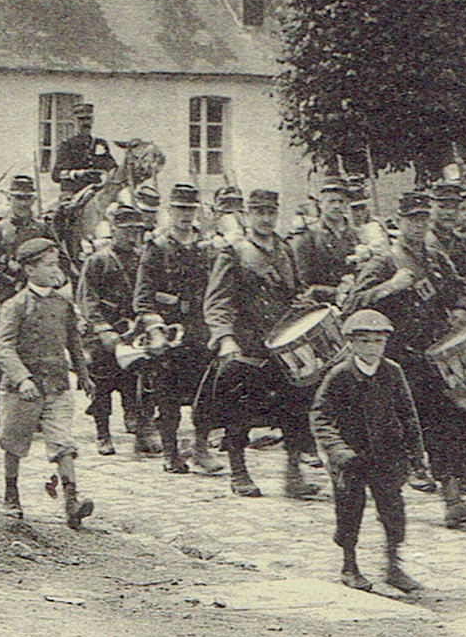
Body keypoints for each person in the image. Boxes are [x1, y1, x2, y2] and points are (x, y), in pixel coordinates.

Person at [349, 191, 466, 526]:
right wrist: (390, 288)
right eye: (413, 219)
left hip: (432, 357)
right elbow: (353, 303)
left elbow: (462, 287)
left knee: (446, 422)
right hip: (399, 360)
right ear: (399, 222)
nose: (419, 225)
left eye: (424, 218)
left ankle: (453, 501)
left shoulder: (437, 257)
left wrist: (461, 308)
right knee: (394, 434)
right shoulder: (385, 260)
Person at [202, 188, 322, 499]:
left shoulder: (285, 250)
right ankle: (239, 471)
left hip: (283, 344)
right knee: (238, 412)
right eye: (260, 213)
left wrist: (302, 300)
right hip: (248, 343)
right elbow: (217, 301)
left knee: (296, 406)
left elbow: (295, 289)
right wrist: (225, 338)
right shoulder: (234, 251)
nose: (266, 219)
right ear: (248, 215)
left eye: (271, 213)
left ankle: (293, 474)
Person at [310, 308, 428, 593]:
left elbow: (408, 414)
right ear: (350, 343)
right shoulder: (340, 375)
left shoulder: (392, 372)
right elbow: (320, 415)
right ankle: (349, 565)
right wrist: (338, 450)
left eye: (378, 341)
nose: (372, 348)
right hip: (352, 457)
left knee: (393, 510)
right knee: (349, 511)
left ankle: (393, 566)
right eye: (364, 341)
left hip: (386, 455)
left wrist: (416, 456)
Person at [0, 237, 95, 528]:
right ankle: (10, 495)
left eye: (56, 264)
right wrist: (22, 377)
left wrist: (84, 375)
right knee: (14, 443)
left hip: (57, 384)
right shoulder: (15, 306)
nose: (55, 270)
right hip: (23, 390)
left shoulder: (63, 304)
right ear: (30, 270)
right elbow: (4, 348)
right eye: (48, 265)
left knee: (63, 443)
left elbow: (74, 344)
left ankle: (71, 502)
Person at [134, 184, 225, 476]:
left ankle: (200, 448)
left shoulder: (208, 246)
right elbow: (143, 298)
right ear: (169, 211)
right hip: (170, 332)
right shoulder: (157, 247)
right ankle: (171, 451)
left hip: (201, 328)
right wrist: (156, 329)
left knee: (207, 393)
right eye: (180, 209)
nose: (185, 216)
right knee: (168, 396)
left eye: (190, 209)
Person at [0, 176, 59, 425]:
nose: (22, 203)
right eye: (18, 197)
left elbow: (59, 261)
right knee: (3, 354)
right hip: (4, 299)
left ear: (33, 200)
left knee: (39, 355)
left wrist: (58, 283)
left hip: (35, 299)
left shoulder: (42, 229)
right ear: (10, 199)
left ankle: (37, 411)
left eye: (27, 198)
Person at [77, 203, 149, 457]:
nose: (132, 236)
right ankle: (103, 434)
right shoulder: (99, 260)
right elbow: (88, 299)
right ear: (114, 230)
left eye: (136, 232)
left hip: (133, 332)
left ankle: (140, 430)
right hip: (103, 335)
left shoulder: (142, 259)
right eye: (127, 231)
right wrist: (103, 330)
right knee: (102, 388)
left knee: (137, 384)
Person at [290, 178, 360, 304]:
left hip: (353, 298)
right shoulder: (308, 236)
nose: (337, 206)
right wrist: (336, 292)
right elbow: (303, 282)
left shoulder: (355, 235)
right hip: (321, 303)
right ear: (320, 204)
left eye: (341, 201)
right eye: (331, 201)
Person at [50, 101, 116, 198]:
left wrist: (110, 173)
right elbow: (56, 175)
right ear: (74, 121)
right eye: (80, 119)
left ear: (92, 120)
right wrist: (77, 173)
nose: (85, 123)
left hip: (97, 188)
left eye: (88, 119)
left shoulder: (100, 143)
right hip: (74, 190)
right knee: (66, 209)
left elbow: (111, 166)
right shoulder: (67, 144)